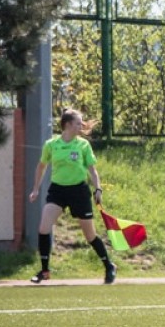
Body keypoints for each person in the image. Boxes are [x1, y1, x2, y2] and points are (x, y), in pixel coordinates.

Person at [27, 108, 117, 284]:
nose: (81, 126)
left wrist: (98, 189)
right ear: (67, 125)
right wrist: (36, 189)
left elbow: (92, 169)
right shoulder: (51, 145)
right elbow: (41, 166)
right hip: (58, 191)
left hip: (78, 191)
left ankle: (109, 266)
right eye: (78, 123)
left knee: (89, 235)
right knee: (43, 228)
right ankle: (45, 271)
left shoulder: (83, 145)